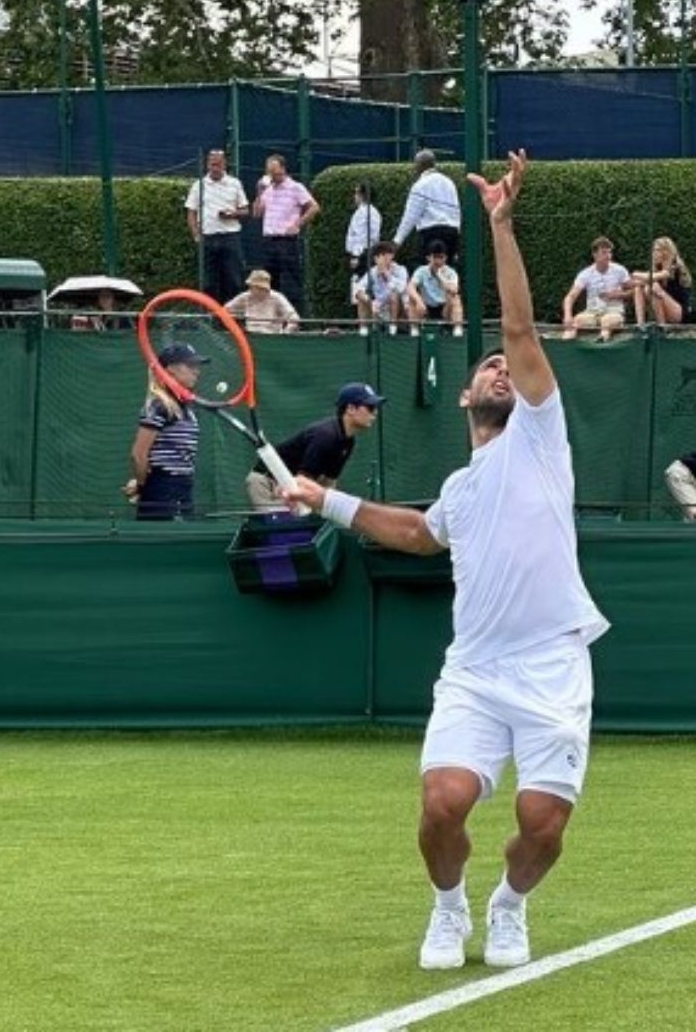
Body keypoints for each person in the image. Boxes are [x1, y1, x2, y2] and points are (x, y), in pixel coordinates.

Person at [282, 150, 609, 973]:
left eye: (506, 366)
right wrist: (324, 501)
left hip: (552, 666)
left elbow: (522, 330)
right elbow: (418, 534)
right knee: (440, 805)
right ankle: (447, 906)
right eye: (487, 369)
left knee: (543, 825)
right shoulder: (462, 488)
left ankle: (508, 906)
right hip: (475, 669)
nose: (501, 367)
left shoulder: (541, 435)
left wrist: (500, 225)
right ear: (466, 397)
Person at [244, 381, 385, 511]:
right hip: (267, 484)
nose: (375, 413)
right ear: (351, 409)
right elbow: (302, 482)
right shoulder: (326, 436)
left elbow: (329, 483)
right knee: (285, 533)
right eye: (370, 408)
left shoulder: (348, 441)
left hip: (291, 487)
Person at [123, 343, 206, 520]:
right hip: (163, 489)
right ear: (171, 369)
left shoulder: (186, 409)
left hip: (183, 487)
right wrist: (142, 485)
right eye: (190, 366)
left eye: (197, 366)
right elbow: (138, 455)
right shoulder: (158, 405)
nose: (196, 371)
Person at [253, 153, 319, 313]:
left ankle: (293, 318)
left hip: (286, 241)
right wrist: (260, 192)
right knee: (268, 280)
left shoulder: (295, 187)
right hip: (269, 240)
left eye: (274, 171)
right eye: (269, 172)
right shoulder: (267, 189)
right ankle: (271, 318)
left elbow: (314, 207)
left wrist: (298, 223)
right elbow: (256, 214)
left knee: (290, 280)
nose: (272, 175)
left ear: (282, 169)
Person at [185, 148, 249, 304]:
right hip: (208, 238)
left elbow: (246, 210)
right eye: (212, 164)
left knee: (233, 280)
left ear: (224, 164)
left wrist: (232, 214)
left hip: (230, 237)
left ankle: (233, 320)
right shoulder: (198, 185)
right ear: (207, 164)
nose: (215, 168)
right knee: (208, 283)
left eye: (218, 164)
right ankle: (211, 320)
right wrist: (196, 235)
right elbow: (191, 212)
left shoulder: (235, 183)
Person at [392, 149, 462, 265]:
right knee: (447, 275)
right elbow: (456, 211)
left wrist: (397, 241)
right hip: (451, 233)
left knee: (427, 275)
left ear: (419, 165)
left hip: (431, 234)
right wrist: (456, 240)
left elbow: (411, 215)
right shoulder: (449, 182)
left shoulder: (420, 185)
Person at [561, 236, 632, 342]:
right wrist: (567, 315)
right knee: (576, 322)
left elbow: (634, 291)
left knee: (607, 322)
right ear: (594, 254)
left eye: (609, 253)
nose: (608, 256)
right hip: (592, 311)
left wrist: (618, 295)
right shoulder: (585, 274)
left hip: (613, 311)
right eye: (604, 253)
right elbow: (571, 296)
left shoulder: (620, 270)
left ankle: (602, 340)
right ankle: (564, 344)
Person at [630, 236, 692, 327]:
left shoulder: (674, 267)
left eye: (657, 250)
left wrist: (635, 273)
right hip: (665, 307)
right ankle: (640, 324)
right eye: (654, 250)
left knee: (651, 287)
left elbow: (650, 278)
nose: (654, 253)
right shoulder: (658, 268)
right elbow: (636, 282)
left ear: (666, 252)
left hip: (679, 313)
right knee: (639, 288)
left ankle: (662, 326)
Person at [408, 240, 464, 335]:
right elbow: (410, 287)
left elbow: (455, 290)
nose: (438, 261)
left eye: (441, 257)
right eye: (435, 257)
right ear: (429, 258)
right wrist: (418, 301)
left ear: (445, 258)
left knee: (455, 298)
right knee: (412, 299)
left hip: (444, 309)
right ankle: (415, 330)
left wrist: (440, 277)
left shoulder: (451, 272)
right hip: (426, 308)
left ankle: (457, 330)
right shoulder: (421, 271)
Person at [354, 241, 409, 333]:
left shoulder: (401, 270)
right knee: (361, 297)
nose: (382, 258)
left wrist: (386, 274)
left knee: (394, 295)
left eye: (385, 254)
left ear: (392, 256)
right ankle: (363, 332)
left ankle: (393, 330)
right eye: (379, 255)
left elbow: (401, 289)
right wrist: (370, 302)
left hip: (398, 309)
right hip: (378, 308)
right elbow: (358, 288)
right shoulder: (372, 272)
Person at [224, 269, 300, 334]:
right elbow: (225, 311)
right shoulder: (245, 297)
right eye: (251, 286)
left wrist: (285, 334)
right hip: (250, 337)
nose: (251, 289)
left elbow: (294, 318)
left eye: (255, 287)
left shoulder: (277, 298)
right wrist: (236, 329)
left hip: (272, 337)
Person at [345, 181, 382, 282]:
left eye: (357, 193)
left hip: (363, 255)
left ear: (362, 195)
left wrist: (356, 256)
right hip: (364, 253)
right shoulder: (368, 212)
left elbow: (361, 236)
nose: (355, 196)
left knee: (359, 284)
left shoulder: (364, 212)